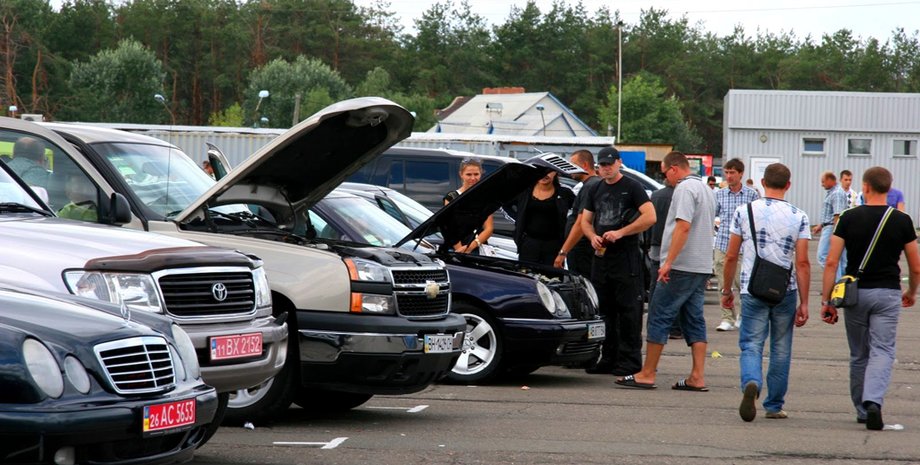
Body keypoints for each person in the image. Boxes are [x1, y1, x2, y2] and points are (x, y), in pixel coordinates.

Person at [821, 167, 920, 431]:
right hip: (887, 293)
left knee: (859, 353)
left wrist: (827, 300)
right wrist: (911, 292)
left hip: (856, 293)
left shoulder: (848, 218)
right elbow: (916, 266)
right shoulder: (902, 220)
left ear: (864, 188)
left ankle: (862, 409)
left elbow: (831, 262)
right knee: (883, 349)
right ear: (889, 189)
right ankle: (874, 400)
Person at [615, 151, 715, 391]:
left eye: (664, 172)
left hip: (681, 265)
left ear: (674, 169)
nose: (665, 178)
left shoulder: (683, 189)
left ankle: (647, 373)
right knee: (694, 319)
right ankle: (697, 376)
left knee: (659, 313)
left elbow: (683, 226)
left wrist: (668, 261)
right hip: (701, 264)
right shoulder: (707, 190)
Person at [721, 163, 810, 421]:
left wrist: (727, 289)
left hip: (752, 288)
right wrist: (804, 303)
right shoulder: (799, 216)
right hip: (785, 290)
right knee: (781, 349)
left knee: (751, 343)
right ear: (788, 185)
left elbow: (730, 256)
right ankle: (774, 405)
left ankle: (752, 382)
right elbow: (803, 263)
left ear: (762, 182)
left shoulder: (744, 211)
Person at [580, 147, 656, 375]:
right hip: (602, 259)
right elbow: (585, 220)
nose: (606, 168)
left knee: (629, 312)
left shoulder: (632, 187)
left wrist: (621, 232)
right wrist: (592, 236)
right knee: (605, 312)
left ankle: (630, 361)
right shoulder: (596, 188)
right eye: (602, 165)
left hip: (626, 258)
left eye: (610, 164)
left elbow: (650, 217)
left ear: (619, 163)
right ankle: (608, 357)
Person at [713, 158, 760, 332]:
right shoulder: (719, 194)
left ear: (740, 174)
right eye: (726, 172)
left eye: (732, 172)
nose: (729, 176)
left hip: (743, 246)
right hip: (723, 242)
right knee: (723, 282)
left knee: (743, 283)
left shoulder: (752, 194)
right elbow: (713, 214)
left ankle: (742, 315)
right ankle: (727, 317)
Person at [502, 171, 574, 265]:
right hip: (528, 243)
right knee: (526, 276)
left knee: (552, 278)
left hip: (554, 245)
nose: (545, 174)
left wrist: (570, 225)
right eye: (541, 170)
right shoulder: (525, 191)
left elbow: (580, 211)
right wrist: (518, 219)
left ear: (555, 172)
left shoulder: (564, 193)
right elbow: (505, 205)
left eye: (549, 171)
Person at [555, 150, 600, 276]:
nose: (570, 169)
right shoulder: (591, 184)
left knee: (581, 286)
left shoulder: (589, 186)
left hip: (582, 249)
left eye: (572, 165)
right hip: (583, 249)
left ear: (585, 165)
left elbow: (581, 223)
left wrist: (563, 252)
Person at [644, 175, 679, 339]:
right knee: (674, 289)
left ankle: (653, 323)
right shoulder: (679, 196)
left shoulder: (655, 196)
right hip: (674, 247)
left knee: (655, 287)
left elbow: (648, 222)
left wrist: (648, 243)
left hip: (656, 245)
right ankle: (675, 327)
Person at [444, 158, 493, 254]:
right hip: (456, 248)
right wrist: (459, 249)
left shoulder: (485, 197)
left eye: (476, 174)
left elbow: (489, 228)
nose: (473, 178)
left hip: (478, 246)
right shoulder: (452, 197)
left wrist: (470, 247)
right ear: (461, 174)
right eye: (469, 174)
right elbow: (449, 227)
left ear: (481, 174)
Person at [814, 171, 848, 280]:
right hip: (829, 226)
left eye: (823, 181)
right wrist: (820, 225)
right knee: (842, 261)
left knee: (823, 256)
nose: (822, 184)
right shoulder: (833, 192)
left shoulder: (837, 193)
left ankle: (836, 283)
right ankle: (843, 286)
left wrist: (835, 234)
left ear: (830, 180)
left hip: (831, 228)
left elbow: (838, 214)